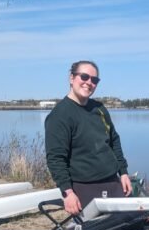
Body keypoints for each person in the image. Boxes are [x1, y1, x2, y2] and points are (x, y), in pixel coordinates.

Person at [45, 60, 132, 216]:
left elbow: (114, 141)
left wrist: (123, 172)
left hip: (113, 182)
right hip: (84, 187)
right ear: (71, 78)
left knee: (129, 228)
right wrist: (68, 192)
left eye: (94, 80)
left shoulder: (99, 109)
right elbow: (55, 159)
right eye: (84, 77)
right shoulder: (60, 115)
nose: (89, 83)